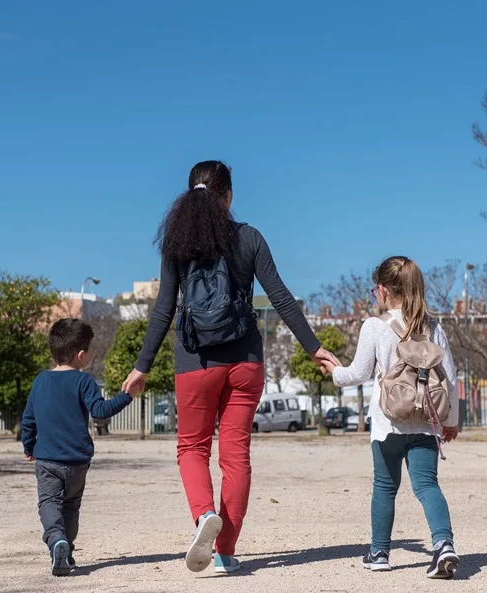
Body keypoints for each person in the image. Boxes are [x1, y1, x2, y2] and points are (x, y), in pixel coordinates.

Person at [121, 160, 340, 575]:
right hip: (246, 363)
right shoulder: (249, 238)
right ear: (229, 195)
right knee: (236, 455)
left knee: (192, 448)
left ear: (189, 196)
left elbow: (164, 309)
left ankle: (204, 515)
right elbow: (280, 296)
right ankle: (225, 552)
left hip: (195, 363)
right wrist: (313, 347)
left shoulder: (176, 244)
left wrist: (141, 366)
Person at [319, 256, 460, 579]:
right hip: (425, 422)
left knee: (385, 486)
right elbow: (450, 379)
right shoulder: (434, 326)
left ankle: (379, 552)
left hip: (387, 423)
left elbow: (358, 373)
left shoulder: (375, 326)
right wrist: (449, 421)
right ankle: (443, 544)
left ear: (382, 290)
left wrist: (333, 371)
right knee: (426, 485)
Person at [22, 318, 139, 577]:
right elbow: (100, 411)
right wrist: (127, 396)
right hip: (77, 461)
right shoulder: (84, 382)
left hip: (47, 460)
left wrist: (28, 446)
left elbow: (28, 419)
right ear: (81, 355)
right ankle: (67, 549)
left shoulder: (40, 381)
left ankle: (57, 542)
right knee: (71, 506)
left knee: (49, 503)